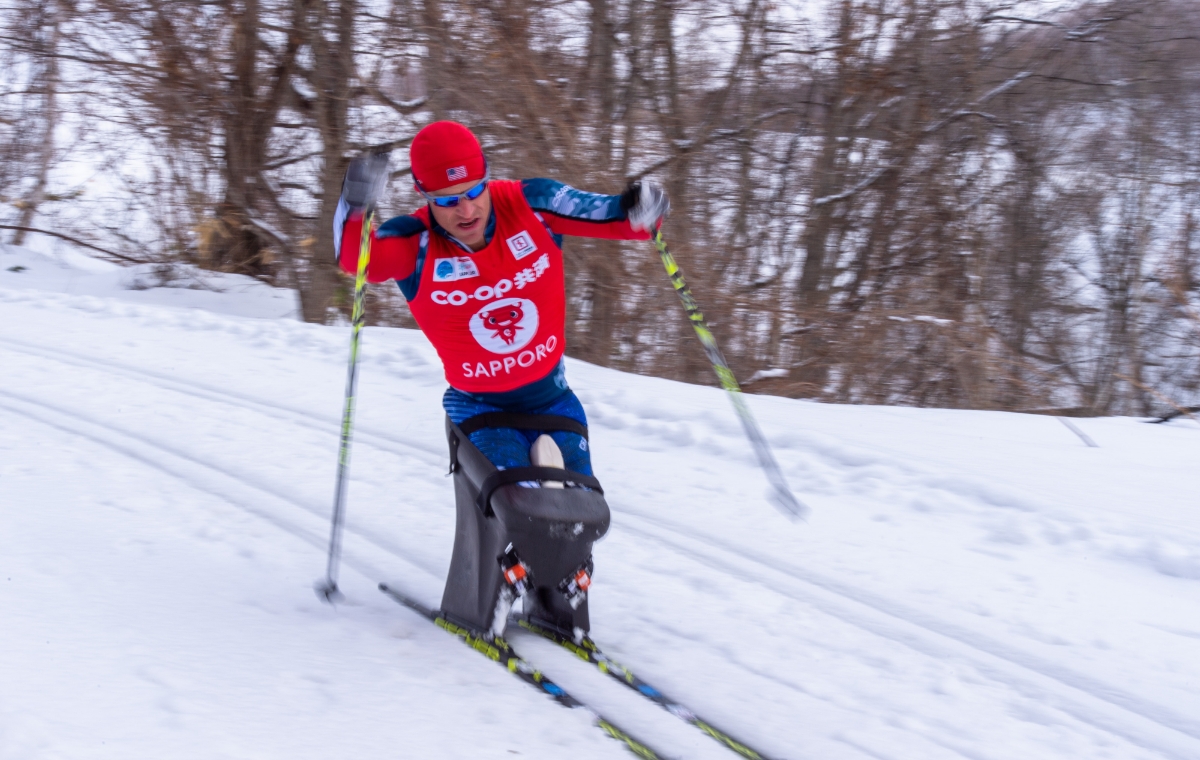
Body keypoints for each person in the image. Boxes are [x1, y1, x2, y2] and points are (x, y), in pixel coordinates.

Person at [334, 121, 669, 478]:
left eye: (475, 191)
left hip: (553, 397)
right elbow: (356, 257)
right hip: (479, 408)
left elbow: (616, 217)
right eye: (447, 200)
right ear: (423, 194)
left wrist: (643, 205)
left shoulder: (532, 204)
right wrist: (354, 205)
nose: (466, 211)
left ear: (488, 178)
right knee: (524, 510)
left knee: (581, 517)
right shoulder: (415, 243)